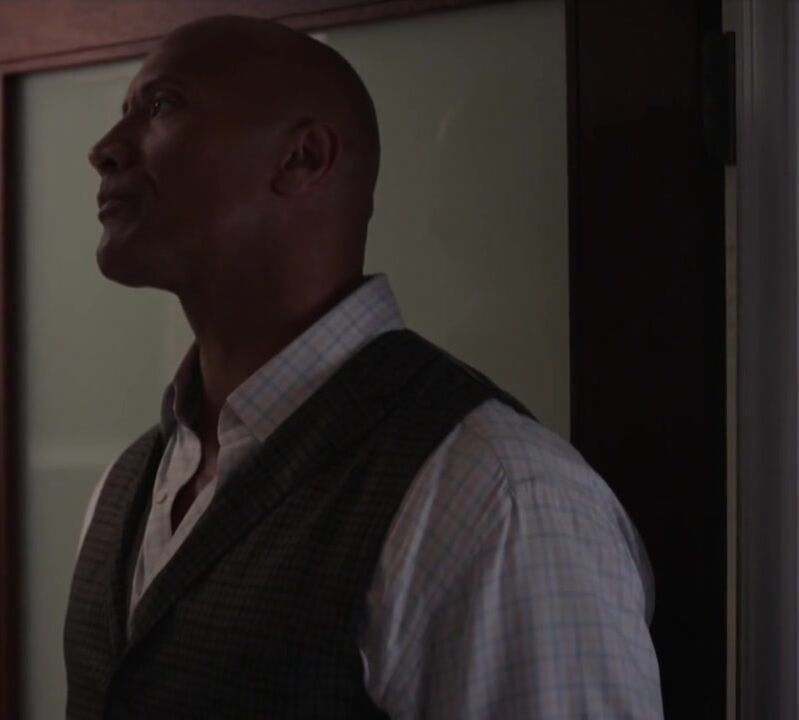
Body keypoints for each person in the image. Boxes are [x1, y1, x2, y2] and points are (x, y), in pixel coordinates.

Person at [65, 15, 661, 719]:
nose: (104, 150)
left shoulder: (496, 496)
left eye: (162, 106)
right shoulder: (130, 482)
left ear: (302, 157)